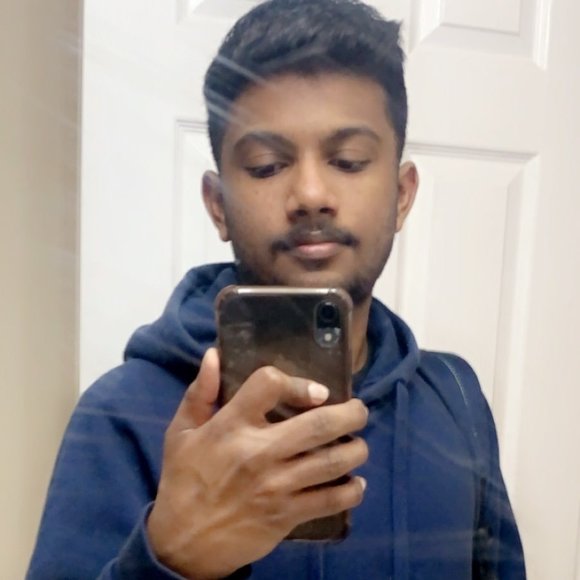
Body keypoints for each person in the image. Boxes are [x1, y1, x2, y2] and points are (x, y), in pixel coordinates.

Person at [27, 0, 526, 578]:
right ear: (218, 205)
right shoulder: (121, 412)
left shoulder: (455, 400)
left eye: (348, 160)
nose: (311, 194)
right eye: (266, 165)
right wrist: (173, 558)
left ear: (402, 196)